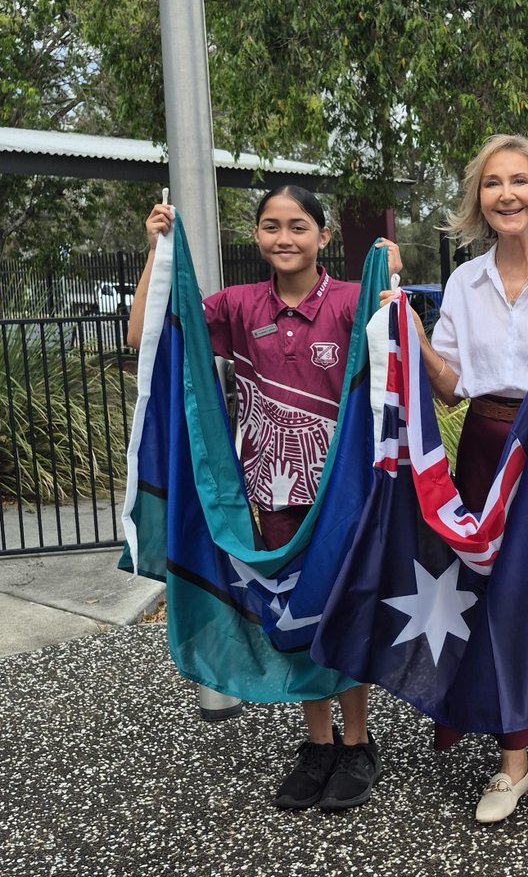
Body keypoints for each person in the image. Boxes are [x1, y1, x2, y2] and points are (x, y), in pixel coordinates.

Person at [127, 185, 401, 813]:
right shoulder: (236, 305)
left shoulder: (354, 304)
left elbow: (402, 354)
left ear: (323, 238)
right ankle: (318, 745)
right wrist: (156, 253)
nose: (285, 238)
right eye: (272, 226)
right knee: (294, 612)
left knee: (345, 611)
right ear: (256, 236)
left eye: (299, 226)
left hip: (343, 499)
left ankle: (357, 745)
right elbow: (150, 331)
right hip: (271, 497)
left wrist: (391, 278)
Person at [385, 133, 528, 824]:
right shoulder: (463, 281)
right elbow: (451, 390)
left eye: (518, 181)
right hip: (486, 451)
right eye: (492, 184)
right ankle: (509, 762)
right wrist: (411, 334)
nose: (506, 194)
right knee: (491, 599)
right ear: (478, 200)